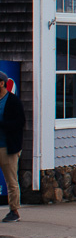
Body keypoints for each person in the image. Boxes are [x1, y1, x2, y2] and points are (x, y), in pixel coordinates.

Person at [0, 77, 25, 222]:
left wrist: (2, 124)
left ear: (2, 83)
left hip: (8, 147)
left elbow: (20, 122)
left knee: (11, 181)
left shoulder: (13, 101)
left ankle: (14, 211)